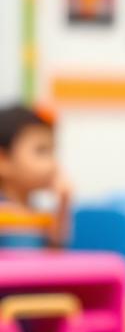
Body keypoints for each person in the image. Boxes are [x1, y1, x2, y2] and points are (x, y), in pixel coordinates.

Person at [0, 104, 72, 247]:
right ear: (3, 161)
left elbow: (55, 255)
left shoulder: (40, 213)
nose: (53, 163)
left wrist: (64, 203)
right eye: (41, 151)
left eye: (52, 152)